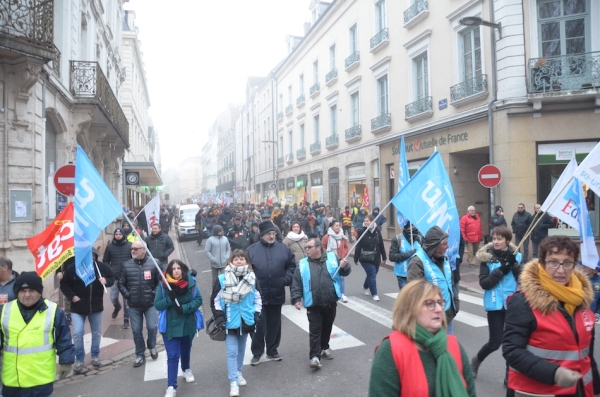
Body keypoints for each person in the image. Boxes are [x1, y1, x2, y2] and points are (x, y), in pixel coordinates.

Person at [503, 235, 600, 397]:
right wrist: (554, 373)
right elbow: (512, 351)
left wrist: (596, 390)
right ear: (542, 264)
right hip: (538, 392)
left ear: (575, 265)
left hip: (580, 391)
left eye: (567, 263)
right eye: (553, 262)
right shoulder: (524, 302)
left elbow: (586, 356)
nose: (561, 270)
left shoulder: (582, 299)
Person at [368, 279, 476, 396]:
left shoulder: (453, 345)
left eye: (440, 302)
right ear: (410, 310)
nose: (439, 309)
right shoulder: (390, 350)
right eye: (430, 304)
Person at [0, 272, 76, 397]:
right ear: (17, 292)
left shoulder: (53, 311)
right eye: (23, 291)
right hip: (12, 380)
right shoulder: (4, 311)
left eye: (32, 290)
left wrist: (66, 361)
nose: (27, 295)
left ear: (40, 291)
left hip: (40, 380)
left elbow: (63, 338)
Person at [470, 226, 521, 379]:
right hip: (494, 305)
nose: (496, 242)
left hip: (512, 304)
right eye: (494, 238)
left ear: (507, 240)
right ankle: (476, 361)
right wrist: (500, 271)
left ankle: (509, 376)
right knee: (495, 342)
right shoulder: (487, 258)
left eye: (499, 239)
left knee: (511, 342)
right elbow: (484, 283)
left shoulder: (516, 256)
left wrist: (514, 265)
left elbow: (522, 279)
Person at [291, 238, 350, 369]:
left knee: (327, 327)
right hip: (313, 302)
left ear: (318, 248)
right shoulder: (302, 263)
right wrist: (296, 299)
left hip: (330, 300)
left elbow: (345, 271)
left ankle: (324, 347)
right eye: (306, 247)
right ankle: (315, 357)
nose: (306, 249)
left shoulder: (332, 257)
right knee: (315, 330)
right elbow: (296, 282)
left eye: (309, 247)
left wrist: (345, 266)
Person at [210, 250, 262, 397]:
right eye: (236, 259)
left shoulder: (252, 278)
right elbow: (215, 301)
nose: (239, 261)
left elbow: (258, 298)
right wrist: (220, 319)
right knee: (232, 352)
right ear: (230, 262)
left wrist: (256, 315)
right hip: (229, 321)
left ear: (247, 262)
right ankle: (233, 382)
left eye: (242, 259)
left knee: (241, 350)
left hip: (246, 320)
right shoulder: (222, 279)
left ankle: (239, 372)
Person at [246, 221, 296, 365]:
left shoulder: (283, 249)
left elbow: (292, 266)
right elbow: (245, 269)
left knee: (274, 324)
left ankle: (272, 350)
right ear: (261, 235)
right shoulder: (251, 250)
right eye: (269, 233)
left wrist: (286, 280)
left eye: (273, 233)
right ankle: (257, 352)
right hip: (257, 295)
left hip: (277, 292)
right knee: (258, 325)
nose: (272, 236)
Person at [60, 248, 114, 372]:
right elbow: (64, 284)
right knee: (78, 333)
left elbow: (111, 278)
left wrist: (106, 281)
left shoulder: (100, 268)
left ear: (95, 256)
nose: (91, 258)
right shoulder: (73, 268)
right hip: (78, 307)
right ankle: (79, 358)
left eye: (93, 256)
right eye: (87, 256)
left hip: (95, 306)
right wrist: (72, 296)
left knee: (96, 332)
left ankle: (95, 355)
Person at [155, 260, 203, 397]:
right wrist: (169, 300)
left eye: (179, 268)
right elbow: (157, 305)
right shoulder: (164, 285)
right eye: (173, 268)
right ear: (170, 271)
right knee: (173, 356)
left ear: (183, 270)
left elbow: (198, 299)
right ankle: (171, 385)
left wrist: (185, 308)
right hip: (170, 326)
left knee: (186, 349)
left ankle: (186, 368)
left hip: (188, 324)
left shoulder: (191, 282)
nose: (176, 270)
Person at [408, 226, 459, 335]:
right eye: (444, 244)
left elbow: (450, 282)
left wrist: (455, 301)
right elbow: (415, 294)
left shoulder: (445, 258)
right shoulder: (417, 262)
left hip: (447, 315)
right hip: (430, 320)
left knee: (449, 348)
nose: (448, 247)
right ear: (434, 245)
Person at [119, 240, 162, 368]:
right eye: (132, 249)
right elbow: (121, 283)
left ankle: (152, 346)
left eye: (136, 249)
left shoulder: (154, 263)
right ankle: (140, 354)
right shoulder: (126, 265)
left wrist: (153, 293)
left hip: (150, 303)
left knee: (152, 327)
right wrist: (128, 295)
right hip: (134, 305)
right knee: (137, 331)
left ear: (144, 250)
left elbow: (160, 282)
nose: (133, 251)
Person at [103, 228, 132, 328]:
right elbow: (105, 260)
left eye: (120, 234)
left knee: (126, 299)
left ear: (123, 235)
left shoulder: (130, 245)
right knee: (113, 298)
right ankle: (117, 307)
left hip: (127, 277)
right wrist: (110, 269)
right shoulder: (110, 246)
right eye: (116, 234)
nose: (118, 235)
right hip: (115, 277)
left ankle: (126, 319)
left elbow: (134, 258)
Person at [354, 215, 387, 302]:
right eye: (365, 221)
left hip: (376, 257)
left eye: (368, 221)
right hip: (365, 257)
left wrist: (384, 257)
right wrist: (356, 258)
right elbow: (358, 246)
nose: (366, 222)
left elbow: (381, 245)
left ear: (372, 221)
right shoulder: (362, 232)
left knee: (372, 274)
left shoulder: (377, 232)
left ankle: (365, 286)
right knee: (372, 274)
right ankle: (374, 294)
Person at [322, 220, 350, 303]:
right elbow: (323, 246)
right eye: (336, 225)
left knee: (341, 277)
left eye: (339, 225)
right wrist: (327, 254)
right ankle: (332, 293)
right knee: (331, 277)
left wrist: (343, 255)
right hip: (330, 260)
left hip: (340, 259)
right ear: (331, 227)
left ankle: (342, 294)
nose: (338, 227)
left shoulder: (342, 236)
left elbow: (345, 247)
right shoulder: (327, 237)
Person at [389, 224, 419, 291]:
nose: (414, 228)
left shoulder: (420, 240)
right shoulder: (398, 239)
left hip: (417, 274)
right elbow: (392, 256)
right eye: (412, 226)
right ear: (406, 227)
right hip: (403, 274)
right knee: (406, 297)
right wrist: (408, 254)